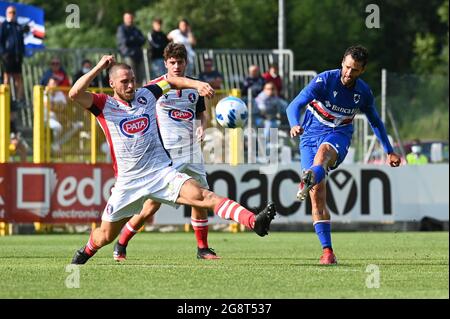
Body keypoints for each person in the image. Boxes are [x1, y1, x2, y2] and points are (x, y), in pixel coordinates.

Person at [68, 55, 276, 265]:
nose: (131, 85)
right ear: (111, 83)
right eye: (124, 82)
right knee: (104, 236)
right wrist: (98, 67)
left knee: (203, 196)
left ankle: (253, 221)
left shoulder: (146, 94)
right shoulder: (104, 104)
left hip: (161, 172)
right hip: (128, 182)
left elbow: (172, 80)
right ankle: (85, 253)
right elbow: (74, 93)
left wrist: (198, 84)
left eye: (132, 79)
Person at [286, 45, 401, 265]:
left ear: (362, 71)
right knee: (317, 195)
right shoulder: (324, 81)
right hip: (309, 136)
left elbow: (375, 122)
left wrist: (389, 150)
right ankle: (327, 251)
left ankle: (308, 179)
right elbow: (294, 105)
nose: (349, 73)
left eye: (355, 70)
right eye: (347, 67)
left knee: (323, 153)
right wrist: (293, 124)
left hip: (338, 134)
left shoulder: (363, 93)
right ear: (342, 62)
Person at [112, 43, 220, 261]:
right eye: (172, 62)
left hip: (191, 151)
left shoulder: (194, 88)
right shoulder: (155, 87)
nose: (177, 66)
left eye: (180, 62)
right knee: (151, 206)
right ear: (165, 64)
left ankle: (203, 248)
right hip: (166, 153)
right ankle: (121, 242)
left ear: (186, 63)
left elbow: (201, 114)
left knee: (200, 199)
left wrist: (202, 126)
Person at [0, 5, 27, 106]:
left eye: (14, 13)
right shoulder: (4, 25)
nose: (12, 15)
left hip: (17, 55)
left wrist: (22, 52)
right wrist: (3, 53)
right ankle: (7, 98)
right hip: (7, 55)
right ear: (7, 14)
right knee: (7, 76)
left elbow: (21, 41)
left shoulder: (18, 26)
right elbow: (1, 40)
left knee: (18, 77)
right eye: (10, 12)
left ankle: (19, 99)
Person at [116, 12, 146, 85]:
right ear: (124, 19)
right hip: (128, 56)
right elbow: (124, 41)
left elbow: (143, 40)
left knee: (140, 78)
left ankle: (139, 94)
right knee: (130, 77)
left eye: (131, 18)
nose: (130, 20)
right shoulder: (121, 29)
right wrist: (136, 39)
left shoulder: (135, 29)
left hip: (138, 56)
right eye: (128, 18)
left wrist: (132, 39)